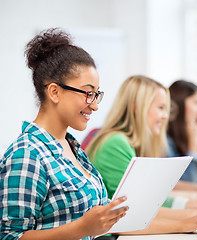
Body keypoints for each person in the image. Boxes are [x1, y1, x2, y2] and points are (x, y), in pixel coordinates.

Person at [0, 28, 129, 240]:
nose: (95, 105)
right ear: (54, 92)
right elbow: (9, 236)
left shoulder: (72, 148)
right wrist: (81, 228)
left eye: (97, 94)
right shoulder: (27, 155)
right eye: (88, 93)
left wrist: (189, 219)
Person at [85, 75, 197, 235]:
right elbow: (132, 211)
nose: (165, 116)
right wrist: (191, 216)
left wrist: (196, 205)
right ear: (137, 107)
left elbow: (150, 201)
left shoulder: (129, 143)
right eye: (160, 108)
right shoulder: (115, 143)